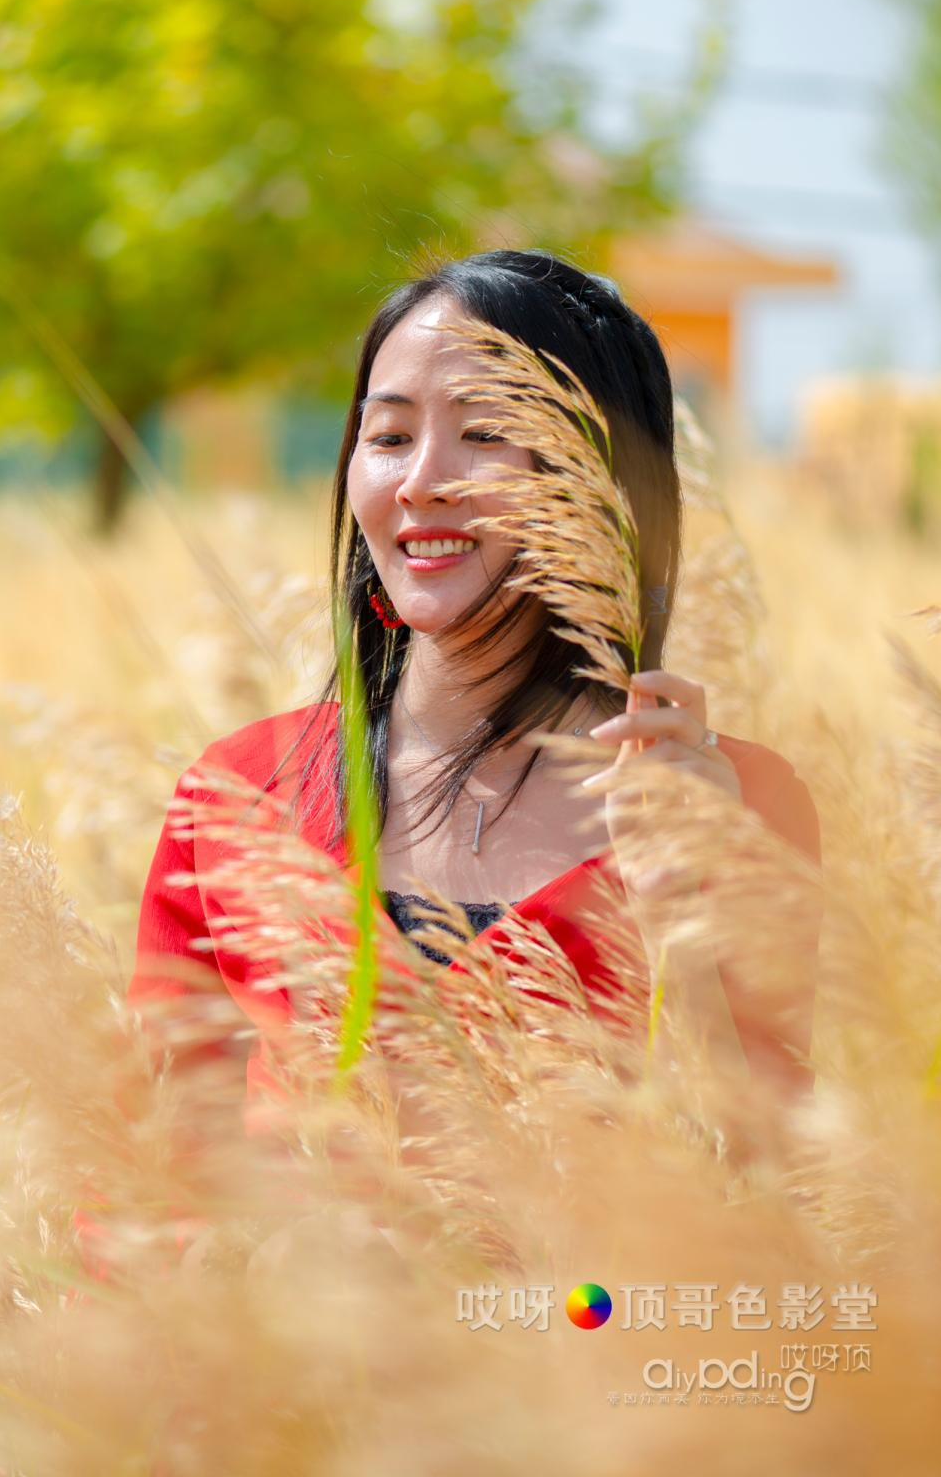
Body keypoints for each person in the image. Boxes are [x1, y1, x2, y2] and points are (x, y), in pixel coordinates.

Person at [127, 249, 822, 1131]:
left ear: (603, 475)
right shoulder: (241, 794)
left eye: (486, 431)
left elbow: (775, 1177)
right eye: (389, 437)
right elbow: (149, 1168)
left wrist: (684, 930)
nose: (422, 481)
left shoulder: (735, 807)